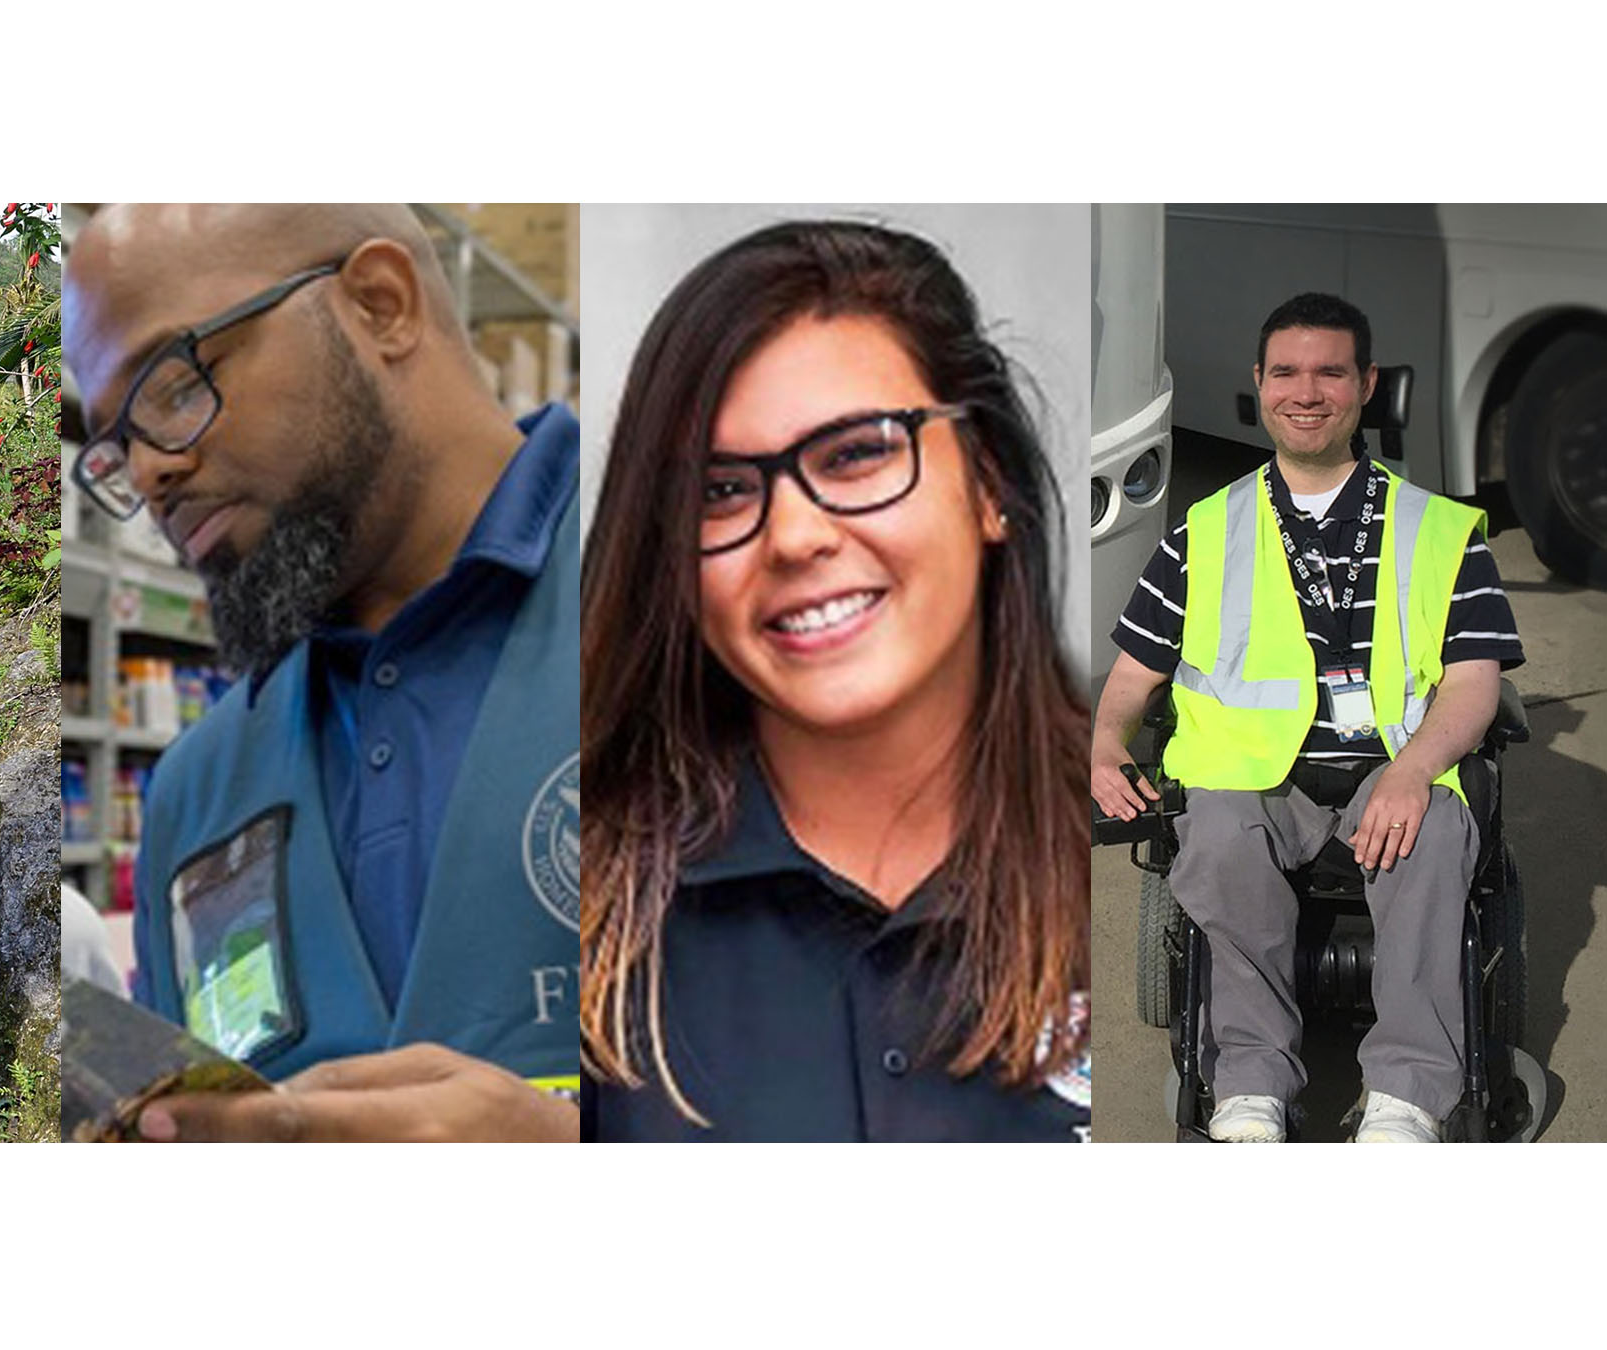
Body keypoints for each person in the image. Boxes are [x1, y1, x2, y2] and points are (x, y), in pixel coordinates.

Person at [66, 204, 578, 1142]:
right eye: (116, 445)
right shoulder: (193, 795)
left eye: (173, 386)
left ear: (382, 306)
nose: (147, 473)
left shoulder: (699, 599)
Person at [582, 219, 1092, 1142]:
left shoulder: (1161, 860)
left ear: (988, 485)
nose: (794, 535)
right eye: (722, 491)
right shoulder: (579, 902)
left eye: (856, 453)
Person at [1093, 292, 1521, 1143]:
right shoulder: (1201, 534)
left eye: (1331, 371)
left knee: (1434, 830)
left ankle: (1406, 1099)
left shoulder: (1440, 530)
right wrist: (1105, 742)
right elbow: (1133, 676)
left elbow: (1473, 683)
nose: (1307, 391)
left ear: (1366, 386)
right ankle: (1250, 1087)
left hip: (1388, 767)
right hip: (1257, 780)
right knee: (1213, 829)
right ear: (1259, 384)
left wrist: (1409, 774)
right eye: (1286, 371)